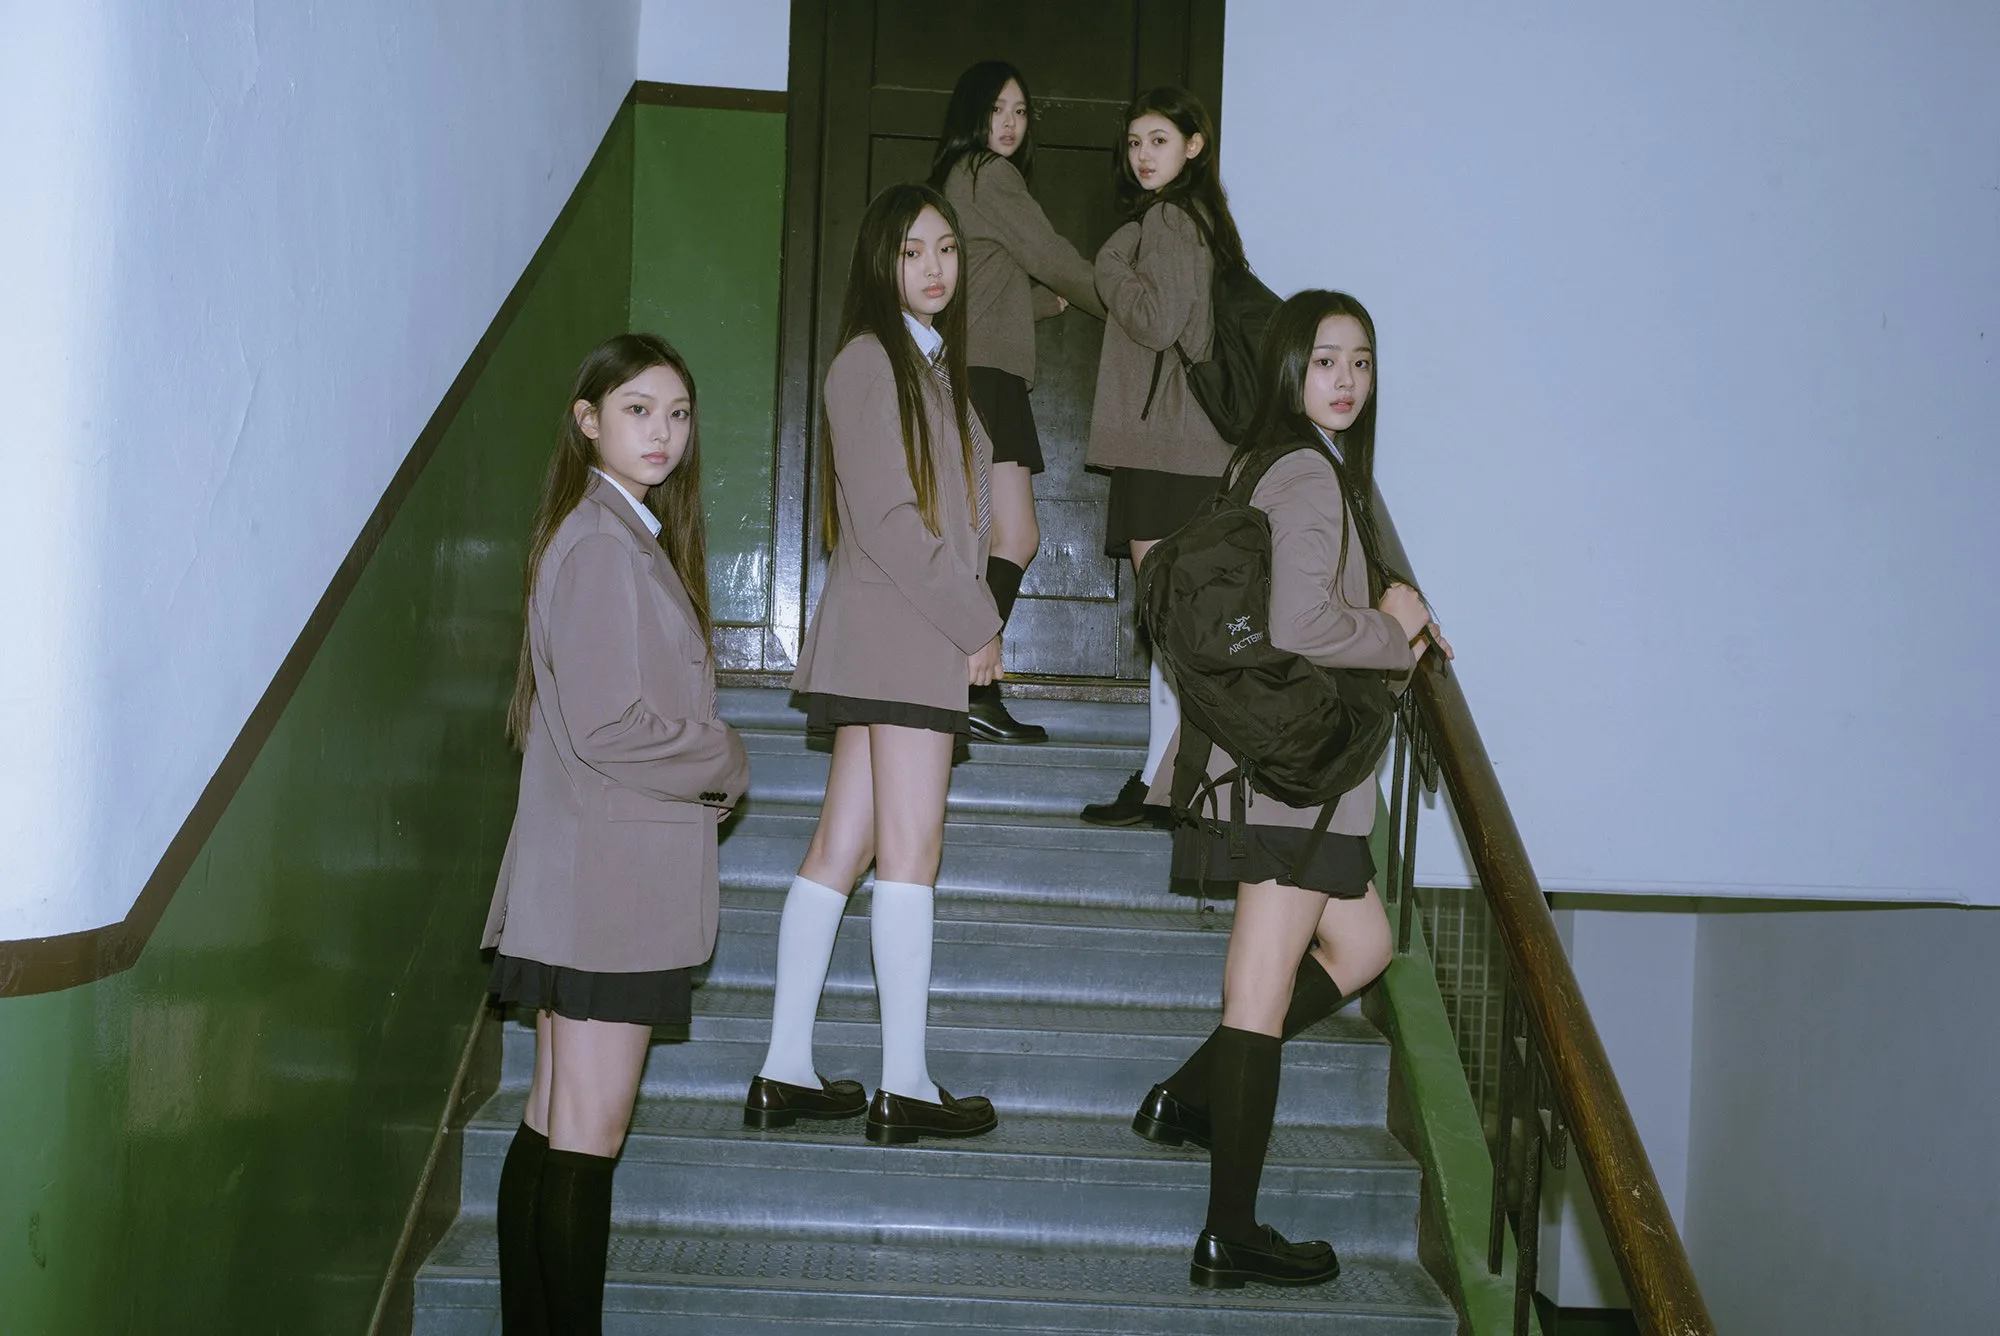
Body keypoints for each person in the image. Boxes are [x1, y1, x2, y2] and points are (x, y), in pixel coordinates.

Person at [1130, 290, 1452, 1289]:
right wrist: (1394, 631)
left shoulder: (1280, 464)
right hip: (1282, 784)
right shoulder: (1309, 474)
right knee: (1259, 990)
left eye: (1361, 361)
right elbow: (1301, 624)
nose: (1346, 379)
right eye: (1324, 360)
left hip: (1286, 779)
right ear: (1288, 370)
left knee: (1363, 946)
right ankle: (1230, 1229)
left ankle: (1189, 1099)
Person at [481, 333, 750, 1332]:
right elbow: (608, 727)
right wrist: (723, 758)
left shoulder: (610, 532)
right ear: (588, 421)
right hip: (610, 893)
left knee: (554, 1126)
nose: (662, 432)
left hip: (585, 883)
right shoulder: (601, 543)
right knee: (585, 1143)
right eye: (638, 410)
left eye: (677, 413)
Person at [743, 183, 1003, 1146]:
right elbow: (893, 520)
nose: (934, 266)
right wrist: (977, 622)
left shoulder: (923, 364)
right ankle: (906, 1084)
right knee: (910, 853)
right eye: (911, 250)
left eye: (947, 248)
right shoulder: (870, 360)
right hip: (907, 637)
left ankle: (784, 1070)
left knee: (841, 851)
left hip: (890, 637)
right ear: (879, 263)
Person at [1079, 86, 1243, 828]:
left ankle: (1176, 781)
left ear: (1193, 146)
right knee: (1174, 627)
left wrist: (1109, 263)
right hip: (1181, 447)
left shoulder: (1169, 220)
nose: (1143, 155)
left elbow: (1155, 321)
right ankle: (1163, 780)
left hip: (1169, 449)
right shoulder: (1195, 218)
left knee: (1172, 626)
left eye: (1159, 140)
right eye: (1135, 142)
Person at [930, 59, 1106, 743]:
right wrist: (1124, 305)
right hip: (987, 377)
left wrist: (1043, 305)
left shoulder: (959, 180)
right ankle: (967, 684)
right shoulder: (990, 174)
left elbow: (976, 290)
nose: (1009, 124)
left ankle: (963, 685)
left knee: (985, 540)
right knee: (1012, 537)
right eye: (997, 109)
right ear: (973, 114)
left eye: (1021, 112)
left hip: (975, 370)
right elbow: (1049, 253)